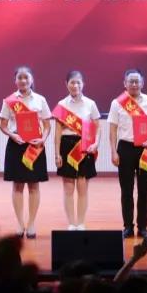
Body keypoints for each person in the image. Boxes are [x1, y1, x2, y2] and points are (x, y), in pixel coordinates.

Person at [108, 68, 147, 238]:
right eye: (130, 81)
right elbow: (112, 130)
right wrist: (113, 152)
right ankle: (127, 226)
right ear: (125, 84)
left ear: (142, 83)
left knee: (144, 190)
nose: (134, 84)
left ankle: (143, 227)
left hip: (146, 149)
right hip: (125, 148)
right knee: (126, 191)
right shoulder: (117, 103)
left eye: (137, 81)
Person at [1, 66, 52, 238]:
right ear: (15, 80)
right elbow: (3, 126)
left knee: (34, 185)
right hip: (16, 144)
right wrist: (12, 135)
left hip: (34, 145)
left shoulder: (40, 100)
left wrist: (43, 139)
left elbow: (47, 125)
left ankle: (31, 223)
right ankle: (19, 223)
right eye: (20, 78)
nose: (23, 81)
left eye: (26, 77)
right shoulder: (9, 101)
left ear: (31, 80)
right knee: (17, 185)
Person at [53, 70, 101, 231]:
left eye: (78, 82)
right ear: (66, 84)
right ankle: (71, 223)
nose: (75, 85)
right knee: (68, 188)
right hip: (66, 146)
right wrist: (57, 154)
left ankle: (80, 222)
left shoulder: (90, 104)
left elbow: (98, 127)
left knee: (82, 187)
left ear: (83, 84)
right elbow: (57, 132)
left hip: (84, 147)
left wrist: (96, 143)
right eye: (72, 82)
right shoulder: (61, 105)